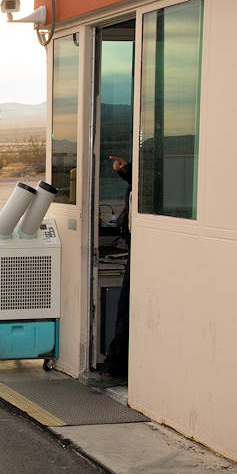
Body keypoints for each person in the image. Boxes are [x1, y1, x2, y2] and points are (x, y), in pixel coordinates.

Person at [100, 154, 132, 382]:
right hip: (134, 246)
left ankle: (115, 367)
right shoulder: (136, 181)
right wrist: (125, 170)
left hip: (139, 250)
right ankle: (116, 366)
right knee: (125, 309)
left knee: (126, 309)